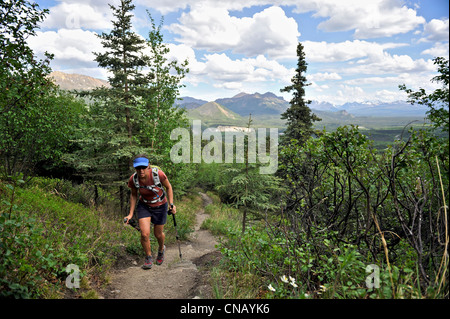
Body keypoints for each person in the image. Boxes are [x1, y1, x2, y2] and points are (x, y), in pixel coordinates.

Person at [124, 155, 176, 269]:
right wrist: (130, 214)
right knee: (144, 233)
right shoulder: (133, 179)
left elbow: (169, 187)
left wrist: (171, 204)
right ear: (135, 168)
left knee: (158, 234)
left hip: (161, 205)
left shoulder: (158, 174)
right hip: (144, 205)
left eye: (143, 167)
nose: (141, 170)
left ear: (148, 166)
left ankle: (161, 249)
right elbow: (133, 195)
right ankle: (148, 257)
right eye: (138, 168)